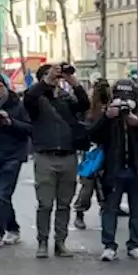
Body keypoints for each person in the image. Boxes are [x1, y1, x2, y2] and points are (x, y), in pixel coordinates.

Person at [23, 63, 90, 258]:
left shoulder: (65, 99)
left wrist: (73, 82)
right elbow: (29, 98)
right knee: (45, 203)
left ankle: (60, 242)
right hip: (45, 155)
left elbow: (84, 105)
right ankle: (42, 241)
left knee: (64, 203)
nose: (54, 78)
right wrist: (47, 81)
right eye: (49, 75)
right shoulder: (36, 100)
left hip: (68, 155)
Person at [88, 79, 138, 261]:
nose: (124, 102)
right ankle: (109, 245)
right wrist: (107, 118)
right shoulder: (109, 113)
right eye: (120, 97)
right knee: (110, 208)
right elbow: (91, 135)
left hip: (137, 169)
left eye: (128, 97)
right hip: (114, 168)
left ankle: (135, 244)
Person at [0, 74, 32, 247]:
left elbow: (29, 128)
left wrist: (10, 122)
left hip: (12, 155)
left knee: (4, 193)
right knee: (1, 197)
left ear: (6, 86)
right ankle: (13, 228)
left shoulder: (17, 104)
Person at [74, 80, 112, 230]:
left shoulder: (109, 106)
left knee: (104, 184)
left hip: (105, 148)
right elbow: (88, 130)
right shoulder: (90, 109)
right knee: (88, 184)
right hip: (93, 149)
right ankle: (80, 213)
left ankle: (105, 209)